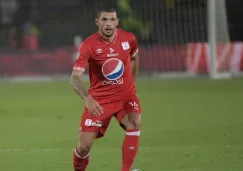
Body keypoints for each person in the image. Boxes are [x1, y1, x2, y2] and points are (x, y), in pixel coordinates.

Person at [71, 7, 142, 171]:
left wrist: (132, 85)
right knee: (83, 147)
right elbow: (75, 78)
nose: (108, 24)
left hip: (125, 95)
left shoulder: (128, 38)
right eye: (104, 19)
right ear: (97, 22)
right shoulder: (88, 45)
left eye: (112, 20)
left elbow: (134, 57)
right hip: (100, 100)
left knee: (134, 122)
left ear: (117, 21)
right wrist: (87, 98)